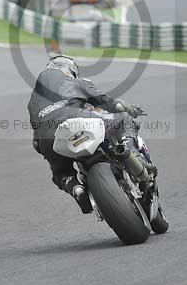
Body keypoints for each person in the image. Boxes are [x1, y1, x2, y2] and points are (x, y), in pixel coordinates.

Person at [27, 54, 150, 213]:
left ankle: (76, 188)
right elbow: (109, 103)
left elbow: (36, 143)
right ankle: (133, 154)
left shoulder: (32, 102)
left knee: (60, 172)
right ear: (70, 70)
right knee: (123, 120)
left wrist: (47, 149)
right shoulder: (74, 81)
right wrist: (130, 109)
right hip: (76, 117)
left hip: (48, 137)